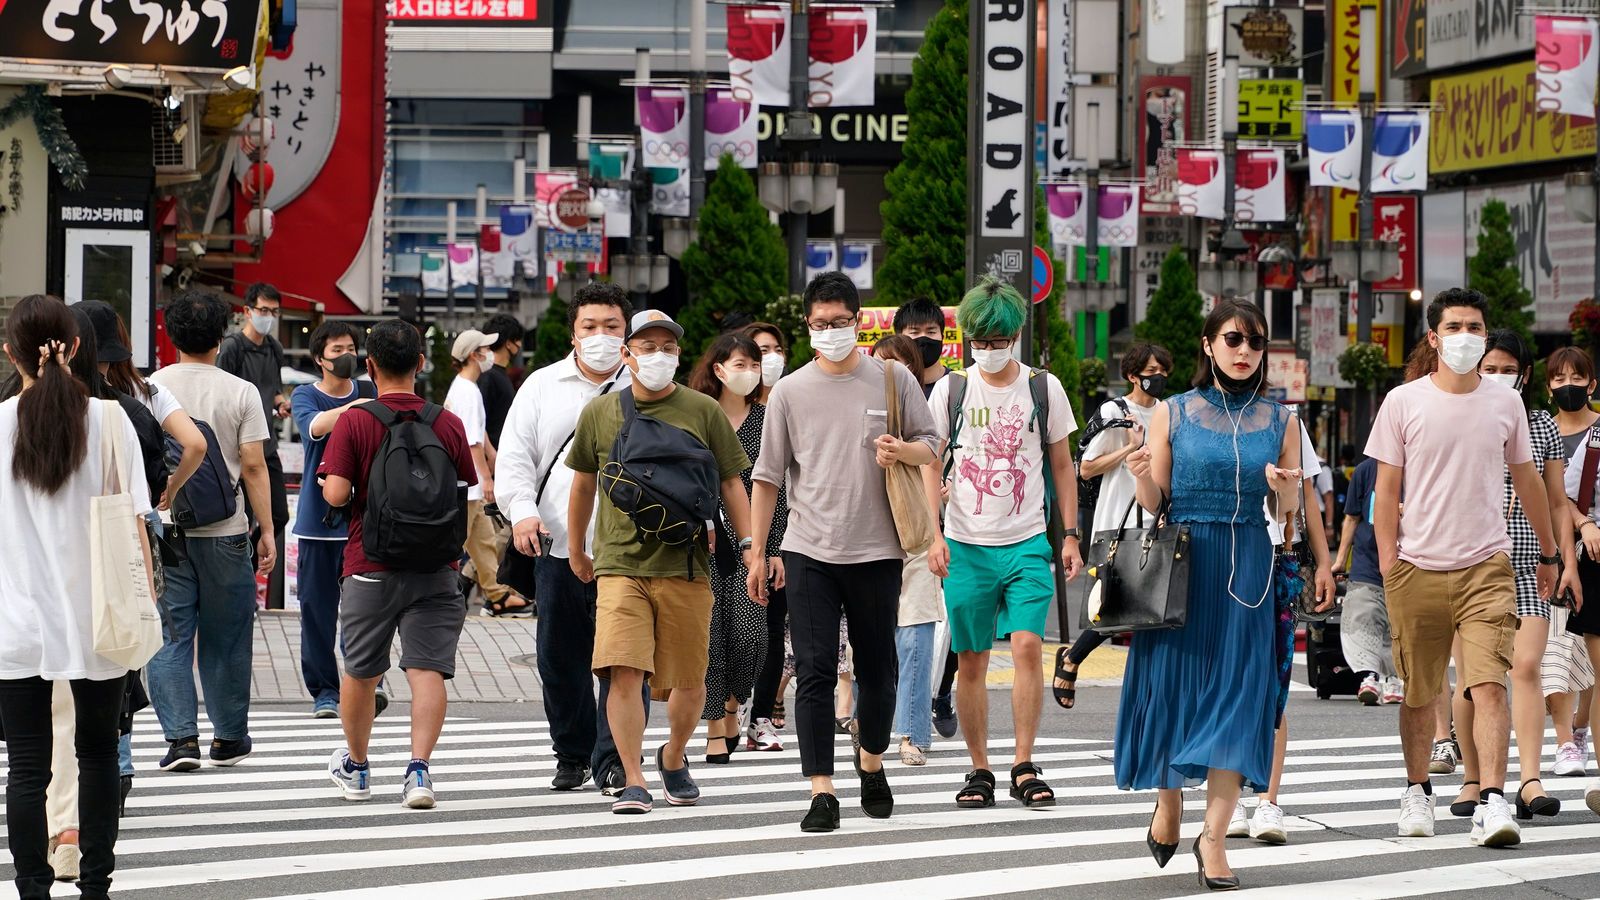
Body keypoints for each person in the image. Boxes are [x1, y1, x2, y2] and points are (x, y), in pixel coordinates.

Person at [1366, 287, 1562, 849]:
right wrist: (1387, 561)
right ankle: (1417, 788)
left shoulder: (1506, 405)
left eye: (1475, 327)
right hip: (1417, 564)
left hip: (1486, 565)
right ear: (1433, 337)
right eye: (1454, 328)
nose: (1466, 338)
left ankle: (1494, 801)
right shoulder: (1403, 401)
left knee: (1489, 685)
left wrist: (1547, 554)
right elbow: (1387, 489)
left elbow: (1527, 481)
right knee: (1420, 691)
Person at [1120, 298, 1303, 889]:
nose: (1245, 352)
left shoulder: (1284, 421)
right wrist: (1140, 472)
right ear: (1208, 345)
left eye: (1255, 342)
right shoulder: (1171, 412)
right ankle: (1169, 803)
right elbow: (1155, 502)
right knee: (1173, 690)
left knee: (1240, 695)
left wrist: (1284, 490)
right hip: (1183, 561)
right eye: (1233, 340)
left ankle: (1216, 838)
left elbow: (1290, 517)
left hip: (1249, 560)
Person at [748, 271, 940, 833]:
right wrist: (758, 551)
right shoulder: (790, 390)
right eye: (818, 324)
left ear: (859, 321)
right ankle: (821, 791)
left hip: (879, 549)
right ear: (807, 326)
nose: (829, 332)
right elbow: (767, 475)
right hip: (808, 549)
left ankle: (872, 761)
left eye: (839, 322)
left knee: (879, 668)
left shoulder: (892, 379)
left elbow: (931, 445)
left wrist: (900, 448)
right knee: (814, 670)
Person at [566, 309, 755, 815]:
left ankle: (673, 754)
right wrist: (576, 547)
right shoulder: (600, 414)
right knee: (623, 671)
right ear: (626, 354)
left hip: (688, 564)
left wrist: (750, 543)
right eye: (646, 346)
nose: (657, 356)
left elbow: (734, 481)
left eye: (667, 348)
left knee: (690, 679)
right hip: (620, 564)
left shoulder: (702, 410)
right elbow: (583, 482)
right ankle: (633, 778)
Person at [0, 295, 149, 900]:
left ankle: (32, 888)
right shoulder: (112, 420)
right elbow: (138, 525)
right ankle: (94, 887)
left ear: (11, 354)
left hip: (16, 621)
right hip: (99, 617)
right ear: (78, 346)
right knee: (96, 754)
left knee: (28, 766)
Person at [925, 278, 1081, 810]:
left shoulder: (1044, 387)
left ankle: (1022, 762)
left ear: (1016, 336)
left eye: (998, 340)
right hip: (965, 542)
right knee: (970, 660)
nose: (989, 351)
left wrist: (1071, 534)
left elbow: (1062, 464)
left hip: (1027, 541)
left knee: (1027, 647)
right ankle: (980, 768)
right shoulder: (951, 390)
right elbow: (930, 459)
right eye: (980, 341)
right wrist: (934, 532)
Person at [320, 319, 478, 810]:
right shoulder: (447, 423)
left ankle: (359, 767)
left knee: (361, 672)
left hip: (370, 563)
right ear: (421, 364)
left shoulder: (356, 420)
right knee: (427, 669)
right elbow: (465, 496)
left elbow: (338, 492)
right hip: (437, 567)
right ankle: (419, 771)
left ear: (369, 366)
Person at [498, 283, 641, 794]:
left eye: (612, 327)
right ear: (573, 333)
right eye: (590, 327)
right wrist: (521, 514)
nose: (601, 337)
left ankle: (616, 758)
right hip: (557, 544)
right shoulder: (540, 385)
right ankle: (572, 751)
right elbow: (515, 459)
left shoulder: (646, 384)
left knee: (624, 659)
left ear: (627, 333)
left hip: (629, 551)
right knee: (559, 659)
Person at [82, 300, 207, 813]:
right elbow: (194, 444)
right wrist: (167, 495)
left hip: (72, 541)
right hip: (133, 534)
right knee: (127, 644)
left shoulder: (44, 403)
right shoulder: (142, 397)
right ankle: (123, 756)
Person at [1448, 330, 1575, 822]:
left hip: (1529, 565)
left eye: (1509, 369)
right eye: (1490, 366)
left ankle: (1529, 779)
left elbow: (1558, 501)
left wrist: (1560, 559)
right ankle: (1473, 779)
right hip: (1471, 563)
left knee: (1526, 668)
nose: (1499, 376)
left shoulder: (1540, 424)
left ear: (1525, 375)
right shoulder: (1460, 415)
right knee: (1475, 678)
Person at [148, 289, 276, 772]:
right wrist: (265, 530)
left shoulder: (151, 387)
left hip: (167, 528)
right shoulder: (240, 391)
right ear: (221, 338)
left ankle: (181, 740)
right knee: (226, 636)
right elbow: (254, 466)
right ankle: (227, 738)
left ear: (171, 335)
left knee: (171, 634)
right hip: (225, 530)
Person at [688, 331, 790, 761]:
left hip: (754, 546)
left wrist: (775, 549)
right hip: (704, 545)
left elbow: (779, 488)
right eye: (740, 364)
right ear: (718, 369)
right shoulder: (696, 418)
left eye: (755, 364)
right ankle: (715, 727)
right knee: (710, 637)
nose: (749, 372)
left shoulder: (768, 419)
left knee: (750, 638)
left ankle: (734, 701)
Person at [1055, 341, 1172, 709]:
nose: (1158, 379)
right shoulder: (1115, 411)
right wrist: (1130, 448)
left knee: (1154, 607)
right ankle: (1072, 658)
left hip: (1159, 520)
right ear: (1132, 375)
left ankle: (1148, 691)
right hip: (1117, 524)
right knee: (1111, 606)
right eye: (1151, 372)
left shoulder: (1170, 412)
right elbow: (1086, 467)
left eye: (1163, 372)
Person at [289, 322, 376, 719]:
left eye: (352, 348)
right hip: (317, 524)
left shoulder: (370, 391)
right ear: (319, 358)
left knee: (365, 612)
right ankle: (325, 690)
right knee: (317, 611)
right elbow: (313, 427)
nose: (347, 355)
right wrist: (356, 409)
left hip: (363, 521)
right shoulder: (305, 395)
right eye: (338, 348)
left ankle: (362, 685)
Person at [873, 335, 944, 765]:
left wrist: (937, 532)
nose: (887, 374)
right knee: (871, 635)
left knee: (916, 631)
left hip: (917, 531)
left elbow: (936, 460)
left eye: (897, 365)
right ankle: (870, 722)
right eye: (880, 364)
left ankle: (913, 733)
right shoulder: (855, 408)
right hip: (867, 534)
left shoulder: (927, 408)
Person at [892, 296, 961, 740]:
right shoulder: (892, 388)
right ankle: (908, 701)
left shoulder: (956, 388)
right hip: (902, 518)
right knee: (907, 616)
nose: (923, 341)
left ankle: (941, 691)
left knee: (952, 612)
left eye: (932, 333)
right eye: (913, 334)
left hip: (955, 515)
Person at [445, 328, 529, 617]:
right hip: (468, 483)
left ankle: (497, 595)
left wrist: (494, 456)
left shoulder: (464, 386)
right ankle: (440, 594)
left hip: (465, 482)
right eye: (486, 349)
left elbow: (477, 432)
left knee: (482, 542)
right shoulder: (468, 391)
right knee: (456, 544)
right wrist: (487, 477)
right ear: (474, 355)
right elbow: (471, 442)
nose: (490, 354)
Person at [215, 282, 291, 601]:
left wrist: (280, 403)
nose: (268, 317)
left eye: (273, 311)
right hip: (235, 446)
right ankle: (239, 585)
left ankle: (249, 567)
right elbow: (221, 391)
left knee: (278, 515)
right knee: (238, 516)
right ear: (247, 311)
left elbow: (271, 388)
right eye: (263, 310)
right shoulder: (232, 348)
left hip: (266, 442)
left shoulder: (274, 348)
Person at [1551, 346, 1600, 781]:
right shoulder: (1539, 432)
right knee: (1551, 654)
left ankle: (1580, 728)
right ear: (1548, 385)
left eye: (1577, 377)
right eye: (1560, 378)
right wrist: (1583, 522)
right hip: (1545, 553)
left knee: (1588, 656)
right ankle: (1566, 738)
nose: (1569, 385)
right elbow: (1550, 495)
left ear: (1592, 384)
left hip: (1594, 556)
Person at [745, 321, 791, 735]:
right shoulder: (727, 410)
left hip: (784, 535)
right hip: (731, 536)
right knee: (728, 627)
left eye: (777, 349)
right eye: (761, 350)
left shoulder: (793, 401)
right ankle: (724, 712)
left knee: (772, 627)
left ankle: (762, 712)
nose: (770, 358)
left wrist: (774, 545)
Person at [1334, 457, 1404, 705]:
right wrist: (1340, 560)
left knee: (1398, 623)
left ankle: (1395, 677)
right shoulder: (1365, 471)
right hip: (1367, 561)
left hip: (1406, 561)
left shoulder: (1418, 466)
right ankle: (1369, 676)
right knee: (1364, 617)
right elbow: (1352, 517)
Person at [478, 313, 523, 450]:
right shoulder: (489, 376)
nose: (520, 345)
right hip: (492, 457)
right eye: (518, 339)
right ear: (509, 343)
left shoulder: (495, 374)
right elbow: (479, 422)